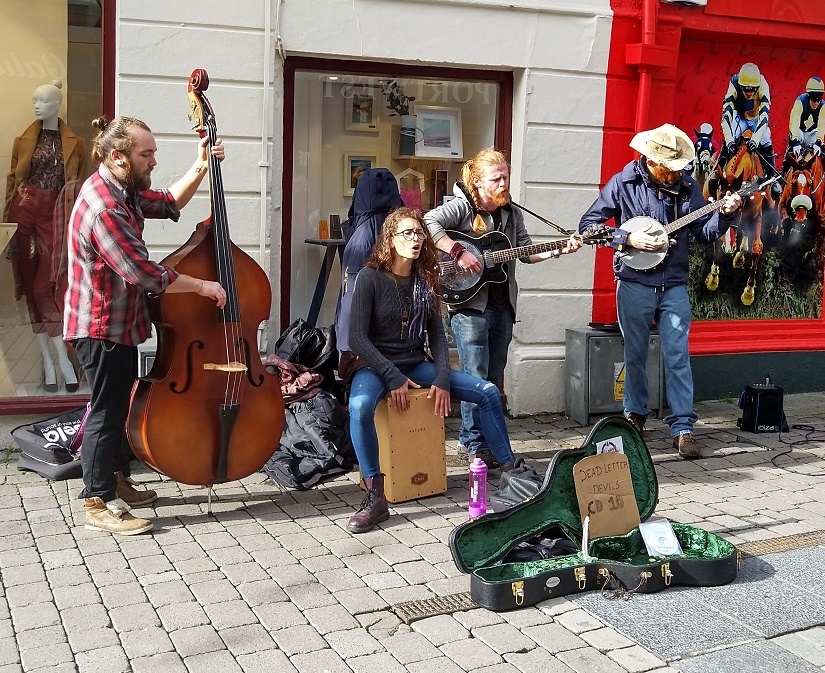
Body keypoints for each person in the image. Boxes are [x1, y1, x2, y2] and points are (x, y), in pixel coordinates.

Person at [64, 116, 227, 535]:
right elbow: (147, 275)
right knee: (105, 411)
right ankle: (96, 500)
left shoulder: (123, 189)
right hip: (100, 326)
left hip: (120, 323)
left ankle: (117, 479)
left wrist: (202, 164)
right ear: (118, 157)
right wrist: (203, 285)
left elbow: (170, 202)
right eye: (146, 154)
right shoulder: (105, 208)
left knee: (117, 404)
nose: (153, 161)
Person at [346, 207, 518, 533]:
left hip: (414, 363)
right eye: (407, 233)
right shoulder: (369, 276)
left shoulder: (426, 278)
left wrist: (441, 377)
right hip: (372, 365)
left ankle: (511, 472)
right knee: (359, 407)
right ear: (390, 239)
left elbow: (437, 335)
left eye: (419, 233)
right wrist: (392, 376)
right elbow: (356, 338)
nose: (415, 239)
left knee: (488, 392)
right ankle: (375, 497)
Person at [578, 124, 742, 459]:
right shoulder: (623, 184)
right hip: (635, 283)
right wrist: (627, 239)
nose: (676, 174)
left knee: (678, 355)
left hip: (674, 286)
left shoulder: (687, 187)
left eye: (679, 168)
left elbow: (705, 232)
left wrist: (725, 215)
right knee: (635, 355)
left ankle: (683, 428)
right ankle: (635, 417)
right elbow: (588, 227)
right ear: (653, 162)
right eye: (671, 169)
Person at [424, 148, 580, 467]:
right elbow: (429, 222)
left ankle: (491, 442)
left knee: (493, 378)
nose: (503, 182)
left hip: (502, 306)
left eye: (506, 176)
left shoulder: (511, 213)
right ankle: (472, 443)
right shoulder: (462, 208)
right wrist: (458, 252)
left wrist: (557, 251)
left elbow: (524, 251)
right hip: (469, 307)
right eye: (497, 178)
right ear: (478, 181)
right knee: (474, 377)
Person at [4, 81, 87, 393]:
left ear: (58, 103)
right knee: (28, 285)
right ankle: (50, 363)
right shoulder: (24, 140)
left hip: (55, 213)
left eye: (44, 100)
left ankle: (64, 361)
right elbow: (13, 181)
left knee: (45, 285)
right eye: (35, 100)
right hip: (23, 210)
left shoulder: (75, 143)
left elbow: (78, 189)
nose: (37, 105)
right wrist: (6, 223)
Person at [720, 63, 776, 181]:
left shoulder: (763, 84)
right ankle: (719, 171)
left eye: (753, 90)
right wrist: (729, 141)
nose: (749, 93)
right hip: (739, 117)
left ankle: (772, 176)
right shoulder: (734, 82)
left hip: (756, 118)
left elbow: (764, 116)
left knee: (766, 141)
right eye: (745, 89)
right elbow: (726, 116)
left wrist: (755, 140)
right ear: (740, 86)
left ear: (758, 87)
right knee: (730, 140)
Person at [780, 76, 825, 177]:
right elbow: (794, 121)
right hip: (799, 131)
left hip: (812, 133)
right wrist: (795, 141)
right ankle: (783, 173)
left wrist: (818, 141)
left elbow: (822, 124)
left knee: (821, 152)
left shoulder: (823, 106)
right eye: (814, 99)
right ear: (809, 95)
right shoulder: (800, 101)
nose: (816, 103)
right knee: (792, 150)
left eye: (819, 100)